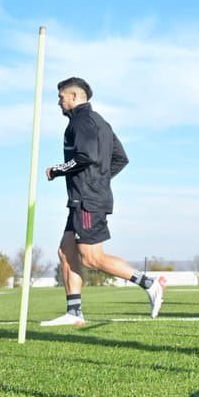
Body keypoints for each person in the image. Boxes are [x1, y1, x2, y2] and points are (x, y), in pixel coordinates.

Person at [41, 77, 165, 326]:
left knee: (91, 257)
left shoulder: (81, 121)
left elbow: (85, 156)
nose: (58, 102)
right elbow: (120, 158)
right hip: (83, 197)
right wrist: (99, 179)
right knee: (66, 252)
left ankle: (149, 284)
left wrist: (58, 170)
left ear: (75, 97)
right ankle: (74, 313)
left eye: (61, 97)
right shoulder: (100, 123)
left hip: (88, 198)